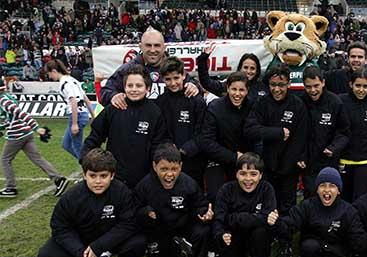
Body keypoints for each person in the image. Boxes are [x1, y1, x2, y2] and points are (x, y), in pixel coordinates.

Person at [37, 148, 146, 257]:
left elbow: (128, 224)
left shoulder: (122, 192)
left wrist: (98, 247)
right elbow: (60, 228)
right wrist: (80, 252)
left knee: (139, 242)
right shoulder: (72, 197)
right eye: (93, 176)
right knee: (46, 256)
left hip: (111, 240)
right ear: (84, 175)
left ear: (112, 175)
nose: (98, 181)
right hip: (82, 241)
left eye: (103, 176)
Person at [275, 167, 367, 257]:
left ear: (339, 190)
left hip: (336, 251)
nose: (327, 190)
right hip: (313, 247)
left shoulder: (348, 210)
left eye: (332, 186)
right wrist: (276, 223)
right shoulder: (307, 205)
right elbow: (289, 225)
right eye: (322, 186)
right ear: (317, 189)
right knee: (309, 247)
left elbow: (357, 241)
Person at [134, 143, 214, 257]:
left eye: (174, 169)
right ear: (154, 166)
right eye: (164, 169)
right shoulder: (144, 185)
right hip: (159, 229)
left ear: (181, 167)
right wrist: (146, 212)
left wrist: (206, 213)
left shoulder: (189, 183)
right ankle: (175, 247)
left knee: (202, 232)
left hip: (184, 224)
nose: (169, 174)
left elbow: (200, 205)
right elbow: (133, 210)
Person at [244, 64, 308, 257]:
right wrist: (277, 132)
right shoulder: (262, 103)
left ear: (288, 83)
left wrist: (292, 163)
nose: (277, 89)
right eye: (273, 84)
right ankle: (267, 236)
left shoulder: (297, 105)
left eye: (281, 84)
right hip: (267, 165)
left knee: (287, 205)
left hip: (288, 167)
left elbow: (302, 137)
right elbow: (250, 129)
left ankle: (285, 240)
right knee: (267, 204)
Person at [81, 64, 168, 189]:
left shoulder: (154, 112)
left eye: (139, 86)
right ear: (124, 87)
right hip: (115, 178)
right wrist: (85, 158)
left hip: (144, 178)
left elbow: (158, 145)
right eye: (130, 85)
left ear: (147, 88)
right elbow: (95, 136)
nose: (134, 89)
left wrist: (154, 173)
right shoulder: (113, 109)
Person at [211, 152, 279, 257]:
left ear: (260, 175)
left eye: (253, 174)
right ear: (236, 174)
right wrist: (221, 234)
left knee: (262, 232)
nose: (248, 179)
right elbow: (219, 220)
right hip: (233, 239)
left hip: (256, 239)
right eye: (243, 173)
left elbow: (269, 220)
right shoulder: (226, 190)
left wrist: (234, 218)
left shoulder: (267, 189)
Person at [0, 78, 69, 198]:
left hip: (17, 135)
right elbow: (12, 119)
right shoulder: (8, 97)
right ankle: (58, 179)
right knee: (37, 158)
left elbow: (21, 114)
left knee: (5, 160)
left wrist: (36, 128)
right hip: (26, 132)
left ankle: (11, 188)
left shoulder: (3, 101)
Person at [100, 27, 199, 108]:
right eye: (148, 45)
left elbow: (194, 86)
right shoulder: (128, 69)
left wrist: (193, 86)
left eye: (157, 45)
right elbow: (105, 92)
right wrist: (113, 96)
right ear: (140, 47)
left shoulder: (174, 67)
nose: (152, 50)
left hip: (168, 128)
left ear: (164, 48)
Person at [198, 71, 254, 202]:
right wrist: (234, 156)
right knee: (216, 196)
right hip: (218, 159)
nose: (237, 94)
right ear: (227, 88)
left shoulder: (252, 106)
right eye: (234, 89)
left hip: (244, 160)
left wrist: (250, 158)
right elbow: (206, 142)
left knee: (243, 197)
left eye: (241, 90)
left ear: (247, 91)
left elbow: (256, 135)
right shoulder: (215, 107)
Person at [156, 56, 207, 187]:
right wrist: (168, 146)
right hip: (168, 160)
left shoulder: (196, 100)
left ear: (183, 75)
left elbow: (203, 131)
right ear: (162, 79)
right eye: (168, 79)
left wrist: (185, 150)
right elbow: (160, 130)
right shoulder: (160, 102)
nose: (173, 83)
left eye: (176, 78)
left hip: (194, 160)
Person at [300, 66, 350, 199]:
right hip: (308, 162)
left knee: (329, 196)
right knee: (310, 196)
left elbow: (344, 132)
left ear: (323, 82)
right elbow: (296, 133)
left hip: (328, 159)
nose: (313, 90)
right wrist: (301, 155)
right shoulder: (300, 102)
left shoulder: (335, 102)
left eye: (316, 85)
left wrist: (333, 148)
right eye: (308, 87)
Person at [338, 68, 367, 203]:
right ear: (351, 84)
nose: (361, 90)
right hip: (345, 160)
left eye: (365, 86)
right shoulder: (340, 101)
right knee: (344, 200)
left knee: (361, 201)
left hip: (366, 161)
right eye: (358, 85)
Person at [46, 59, 94, 160]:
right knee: (66, 144)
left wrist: (75, 123)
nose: (50, 77)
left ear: (54, 71)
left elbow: (73, 101)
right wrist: (93, 116)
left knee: (77, 147)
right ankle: (88, 162)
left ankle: (90, 167)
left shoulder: (64, 84)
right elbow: (86, 99)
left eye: (49, 74)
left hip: (77, 116)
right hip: (83, 114)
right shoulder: (73, 80)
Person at [196, 43, 267, 103]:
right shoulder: (229, 84)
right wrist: (203, 59)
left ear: (257, 70)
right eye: (245, 67)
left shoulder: (263, 87)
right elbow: (207, 83)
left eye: (252, 68)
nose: (248, 71)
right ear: (240, 68)